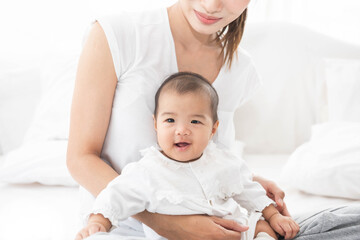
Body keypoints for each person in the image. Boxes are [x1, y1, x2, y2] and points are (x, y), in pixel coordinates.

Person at [67, 0, 360, 239]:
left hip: (216, 228)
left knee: (345, 223)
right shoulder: (118, 35)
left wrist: (248, 181)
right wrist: (167, 223)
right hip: (121, 229)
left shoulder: (240, 68)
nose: (211, 5)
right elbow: (80, 158)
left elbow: (205, 159)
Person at [75, 72, 299, 240]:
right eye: (170, 120)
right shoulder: (147, 170)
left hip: (233, 230)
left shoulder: (222, 160)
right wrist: (97, 222)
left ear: (213, 129)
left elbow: (249, 189)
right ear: (155, 124)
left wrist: (273, 216)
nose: (181, 130)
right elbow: (116, 195)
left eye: (195, 121)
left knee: (261, 228)